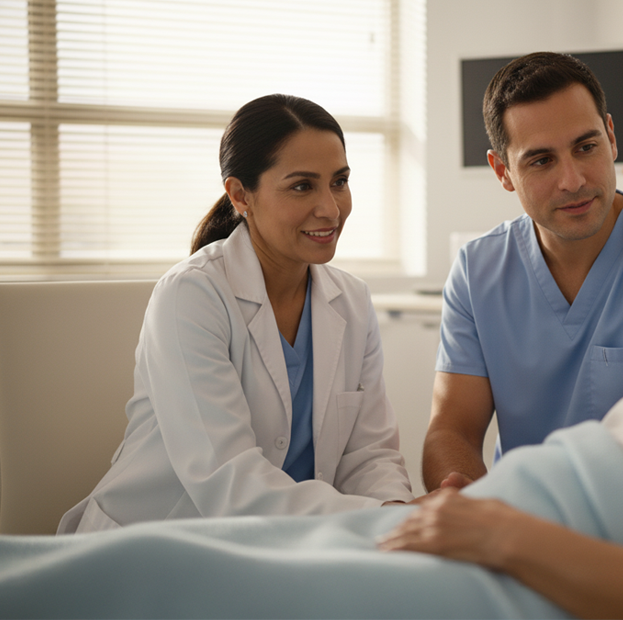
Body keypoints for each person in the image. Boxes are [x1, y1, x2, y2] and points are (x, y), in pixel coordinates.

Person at [0, 137, 623, 620]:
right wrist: (450, 509)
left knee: (161, 587)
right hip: (479, 528)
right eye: (540, 158)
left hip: (514, 562)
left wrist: (498, 533)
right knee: (155, 556)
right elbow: (439, 430)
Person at [57, 94, 414, 534]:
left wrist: (400, 513)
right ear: (241, 195)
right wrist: (387, 521)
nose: (331, 208)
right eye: (302, 186)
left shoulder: (352, 300)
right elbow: (229, 482)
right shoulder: (192, 295)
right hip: (162, 545)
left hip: (288, 543)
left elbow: (370, 455)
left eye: (339, 181)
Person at [424, 52, 623, 491]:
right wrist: (467, 503)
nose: (573, 180)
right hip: (511, 515)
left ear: (611, 138)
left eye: (586, 147)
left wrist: (519, 522)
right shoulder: (476, 270)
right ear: (503, 171)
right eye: (542, 160)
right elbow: (452, 431)